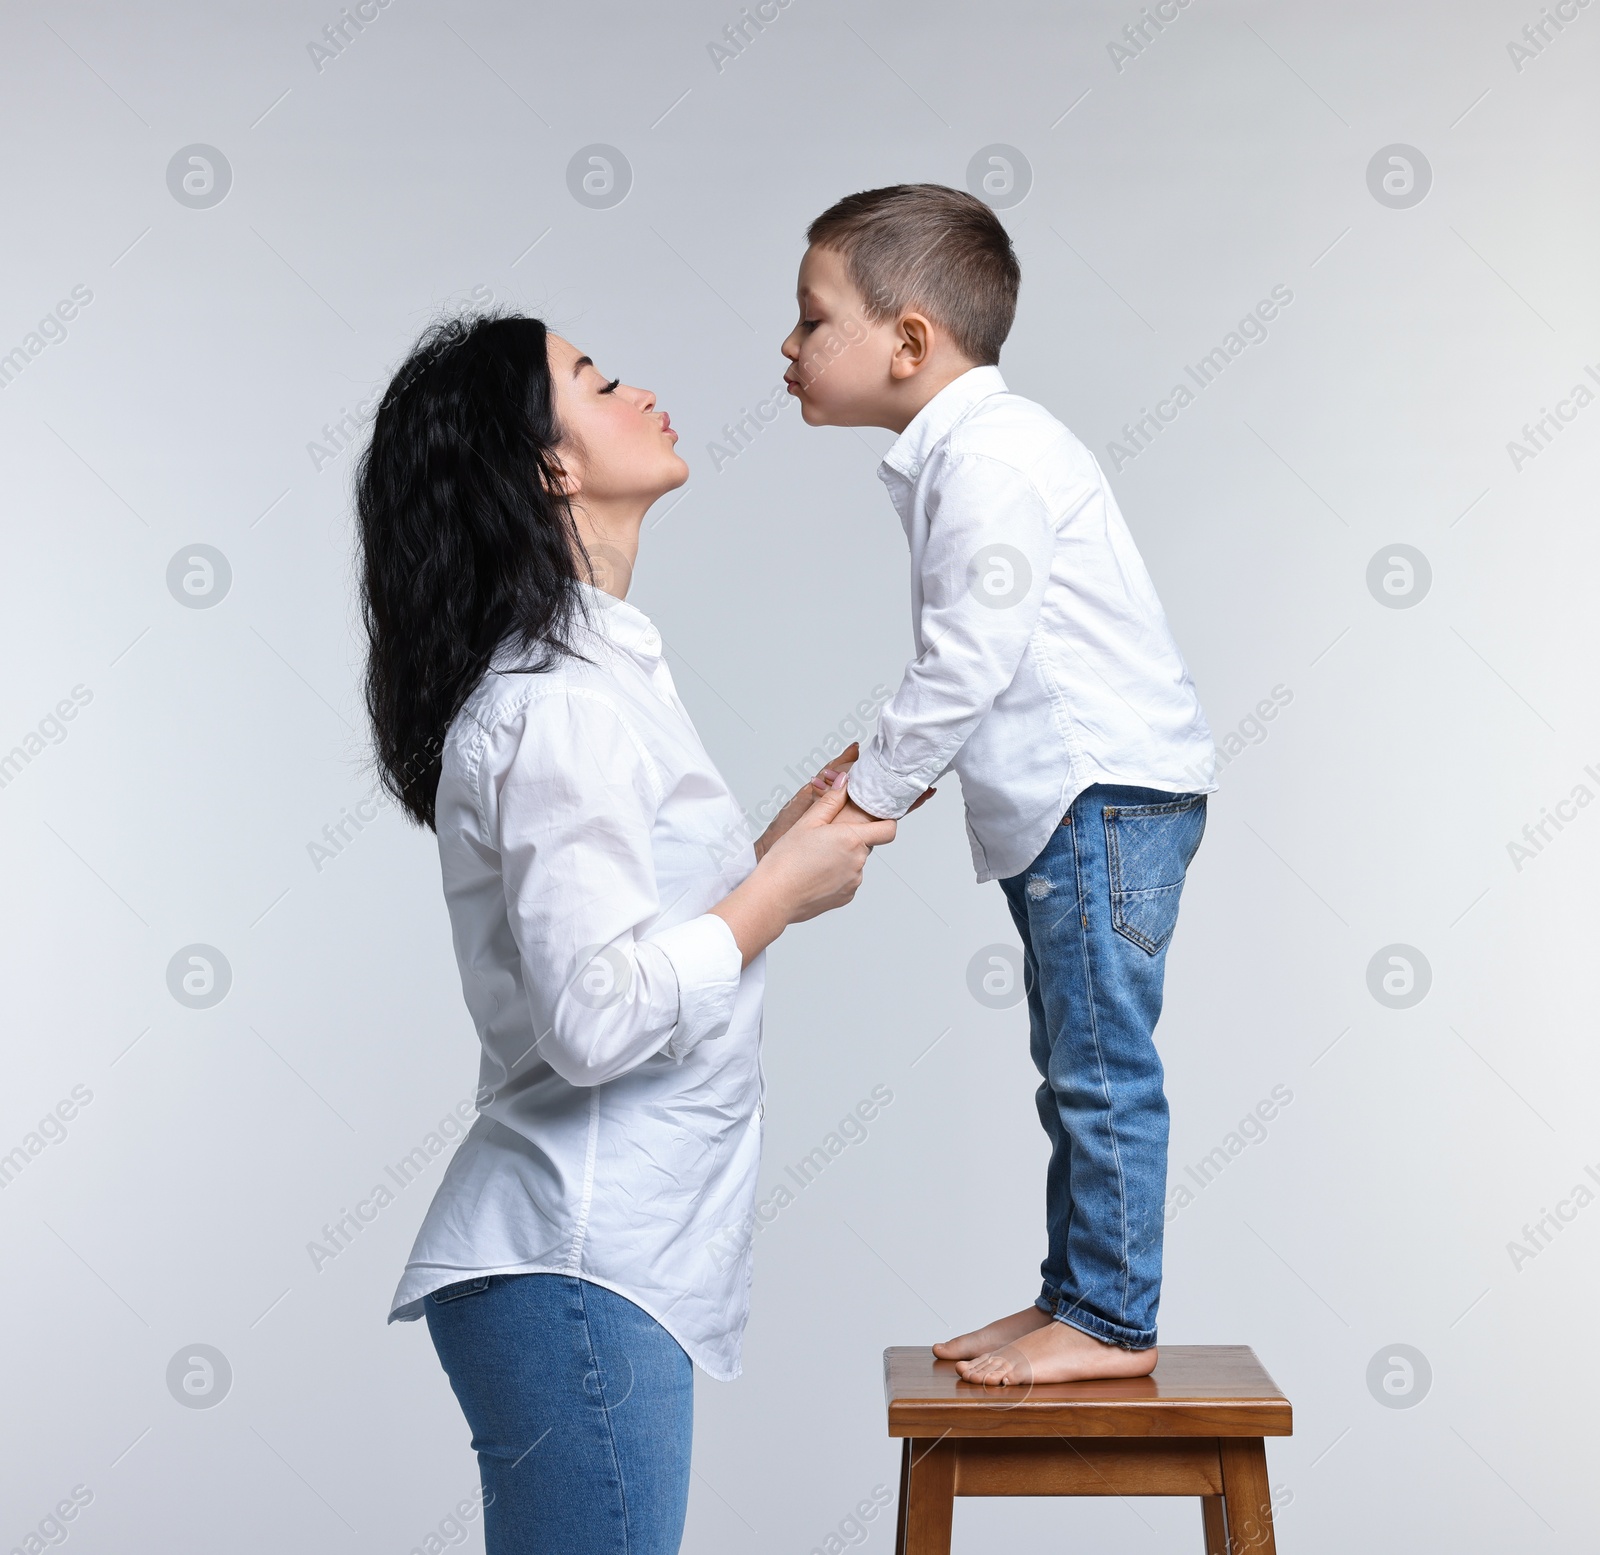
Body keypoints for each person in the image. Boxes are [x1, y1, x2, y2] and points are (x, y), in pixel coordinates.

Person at [356, 312, 896, 1553]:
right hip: (574, 1269)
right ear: (550, 466)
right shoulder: (557, 707)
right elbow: (597, 1019)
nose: (638, 388)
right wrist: (774, 896)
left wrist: (772, 863)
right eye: (593, 382)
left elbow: (627, 949)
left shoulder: (594, 683)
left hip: (588, 1272)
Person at [780, 184, 1216, 1385]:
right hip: (1088, 798)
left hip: (1101, 794)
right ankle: (1077, 1296)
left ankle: (1113, 1322)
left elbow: (966, 654)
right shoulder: (972, 451)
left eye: (811, 320)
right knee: (1070, 1056)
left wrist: (873, 794)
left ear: (908, 342)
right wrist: (881, 775)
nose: (789, 344)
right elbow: (978, 655)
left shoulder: (991, 456)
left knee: (1097, 1065)